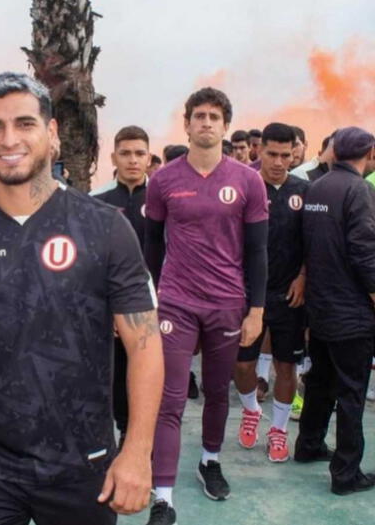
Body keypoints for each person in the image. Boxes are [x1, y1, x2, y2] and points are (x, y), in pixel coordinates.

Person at [0, 72, 164, 525]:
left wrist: (138, 452)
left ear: (51, 134)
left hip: (82, 463)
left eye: (24, 124)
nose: (9, 139)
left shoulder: (105, 227)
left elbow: (144, 345)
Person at [145, 87, 268, 525]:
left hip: (227, 305)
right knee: (170, 398)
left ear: (225, 124)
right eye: (199, 115)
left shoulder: (247, 180)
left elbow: (257, 252)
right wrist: (153, 298)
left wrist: (256, 310)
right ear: (187, 124)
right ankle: (163, 496)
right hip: (175, 304)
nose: (207, 122)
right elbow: (151, 248)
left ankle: (209, 461)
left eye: (215, 116)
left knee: (218, 392)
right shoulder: (163, 181)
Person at [295, 127, 375, 495]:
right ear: (369, 154)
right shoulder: (359, 190)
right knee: (351, 392)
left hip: (321, 305)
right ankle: (346, 474)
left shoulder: (318, 186)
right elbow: (364, 251)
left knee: (320, 382)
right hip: (351, 310)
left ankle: (308, 445)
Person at [233, 123, 308, 463]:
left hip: (289, 297)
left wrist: (303, 276)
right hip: (248, 296)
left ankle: (278, 430)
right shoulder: (243, 186)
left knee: (286, 366)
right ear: (259, 150)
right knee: (243, 365)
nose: (279, 162)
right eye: (272, 154)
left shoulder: (305, 191)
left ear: (295, 153)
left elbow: (314, 243)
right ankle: (251, 411)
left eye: (285, 155)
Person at [94, 125, 150, 448]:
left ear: (148, 158)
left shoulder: (162, 199)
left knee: (147, 375)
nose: (132, 160)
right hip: (111, 312)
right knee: (114, 377)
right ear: (114, 157)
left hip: (154, 309)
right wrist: (110, 310)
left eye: (139, 153)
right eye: (126, 153)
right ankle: (117, 434)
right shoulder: (97, 202)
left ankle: (138, 439)